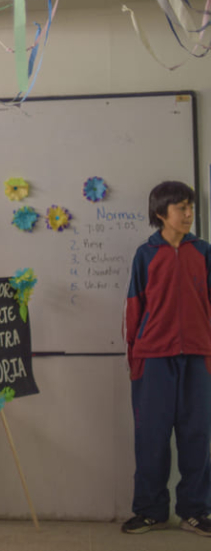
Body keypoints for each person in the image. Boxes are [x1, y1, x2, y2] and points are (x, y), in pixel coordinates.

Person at [122, 181, 211, 536]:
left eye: (190, 207)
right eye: (181, 208)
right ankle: (150, 511)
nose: (189, 214)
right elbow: (133, 307)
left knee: (197, 436)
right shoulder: (145, 254)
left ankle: (195, 511)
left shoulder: (204, 252)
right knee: (151, 437)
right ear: (161, 213)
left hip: (199, 358)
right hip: (153, 359)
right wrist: (135, 357)